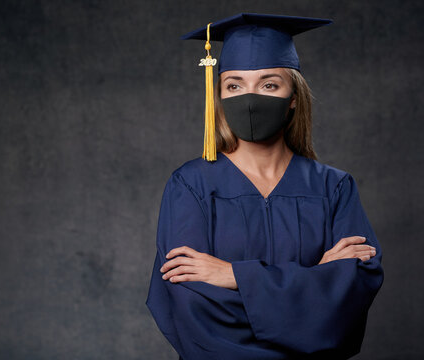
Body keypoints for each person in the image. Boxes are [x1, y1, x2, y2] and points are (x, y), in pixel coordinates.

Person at [145, 13, 384, 360]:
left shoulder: (334, 188)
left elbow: (353, 292)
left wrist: (234, 276)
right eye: (234, 85)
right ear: (220, 96)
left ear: (293, 97)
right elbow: (189, 303)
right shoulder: (191, 185)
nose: (250, 98)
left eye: (269, 84)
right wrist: (316, 278)